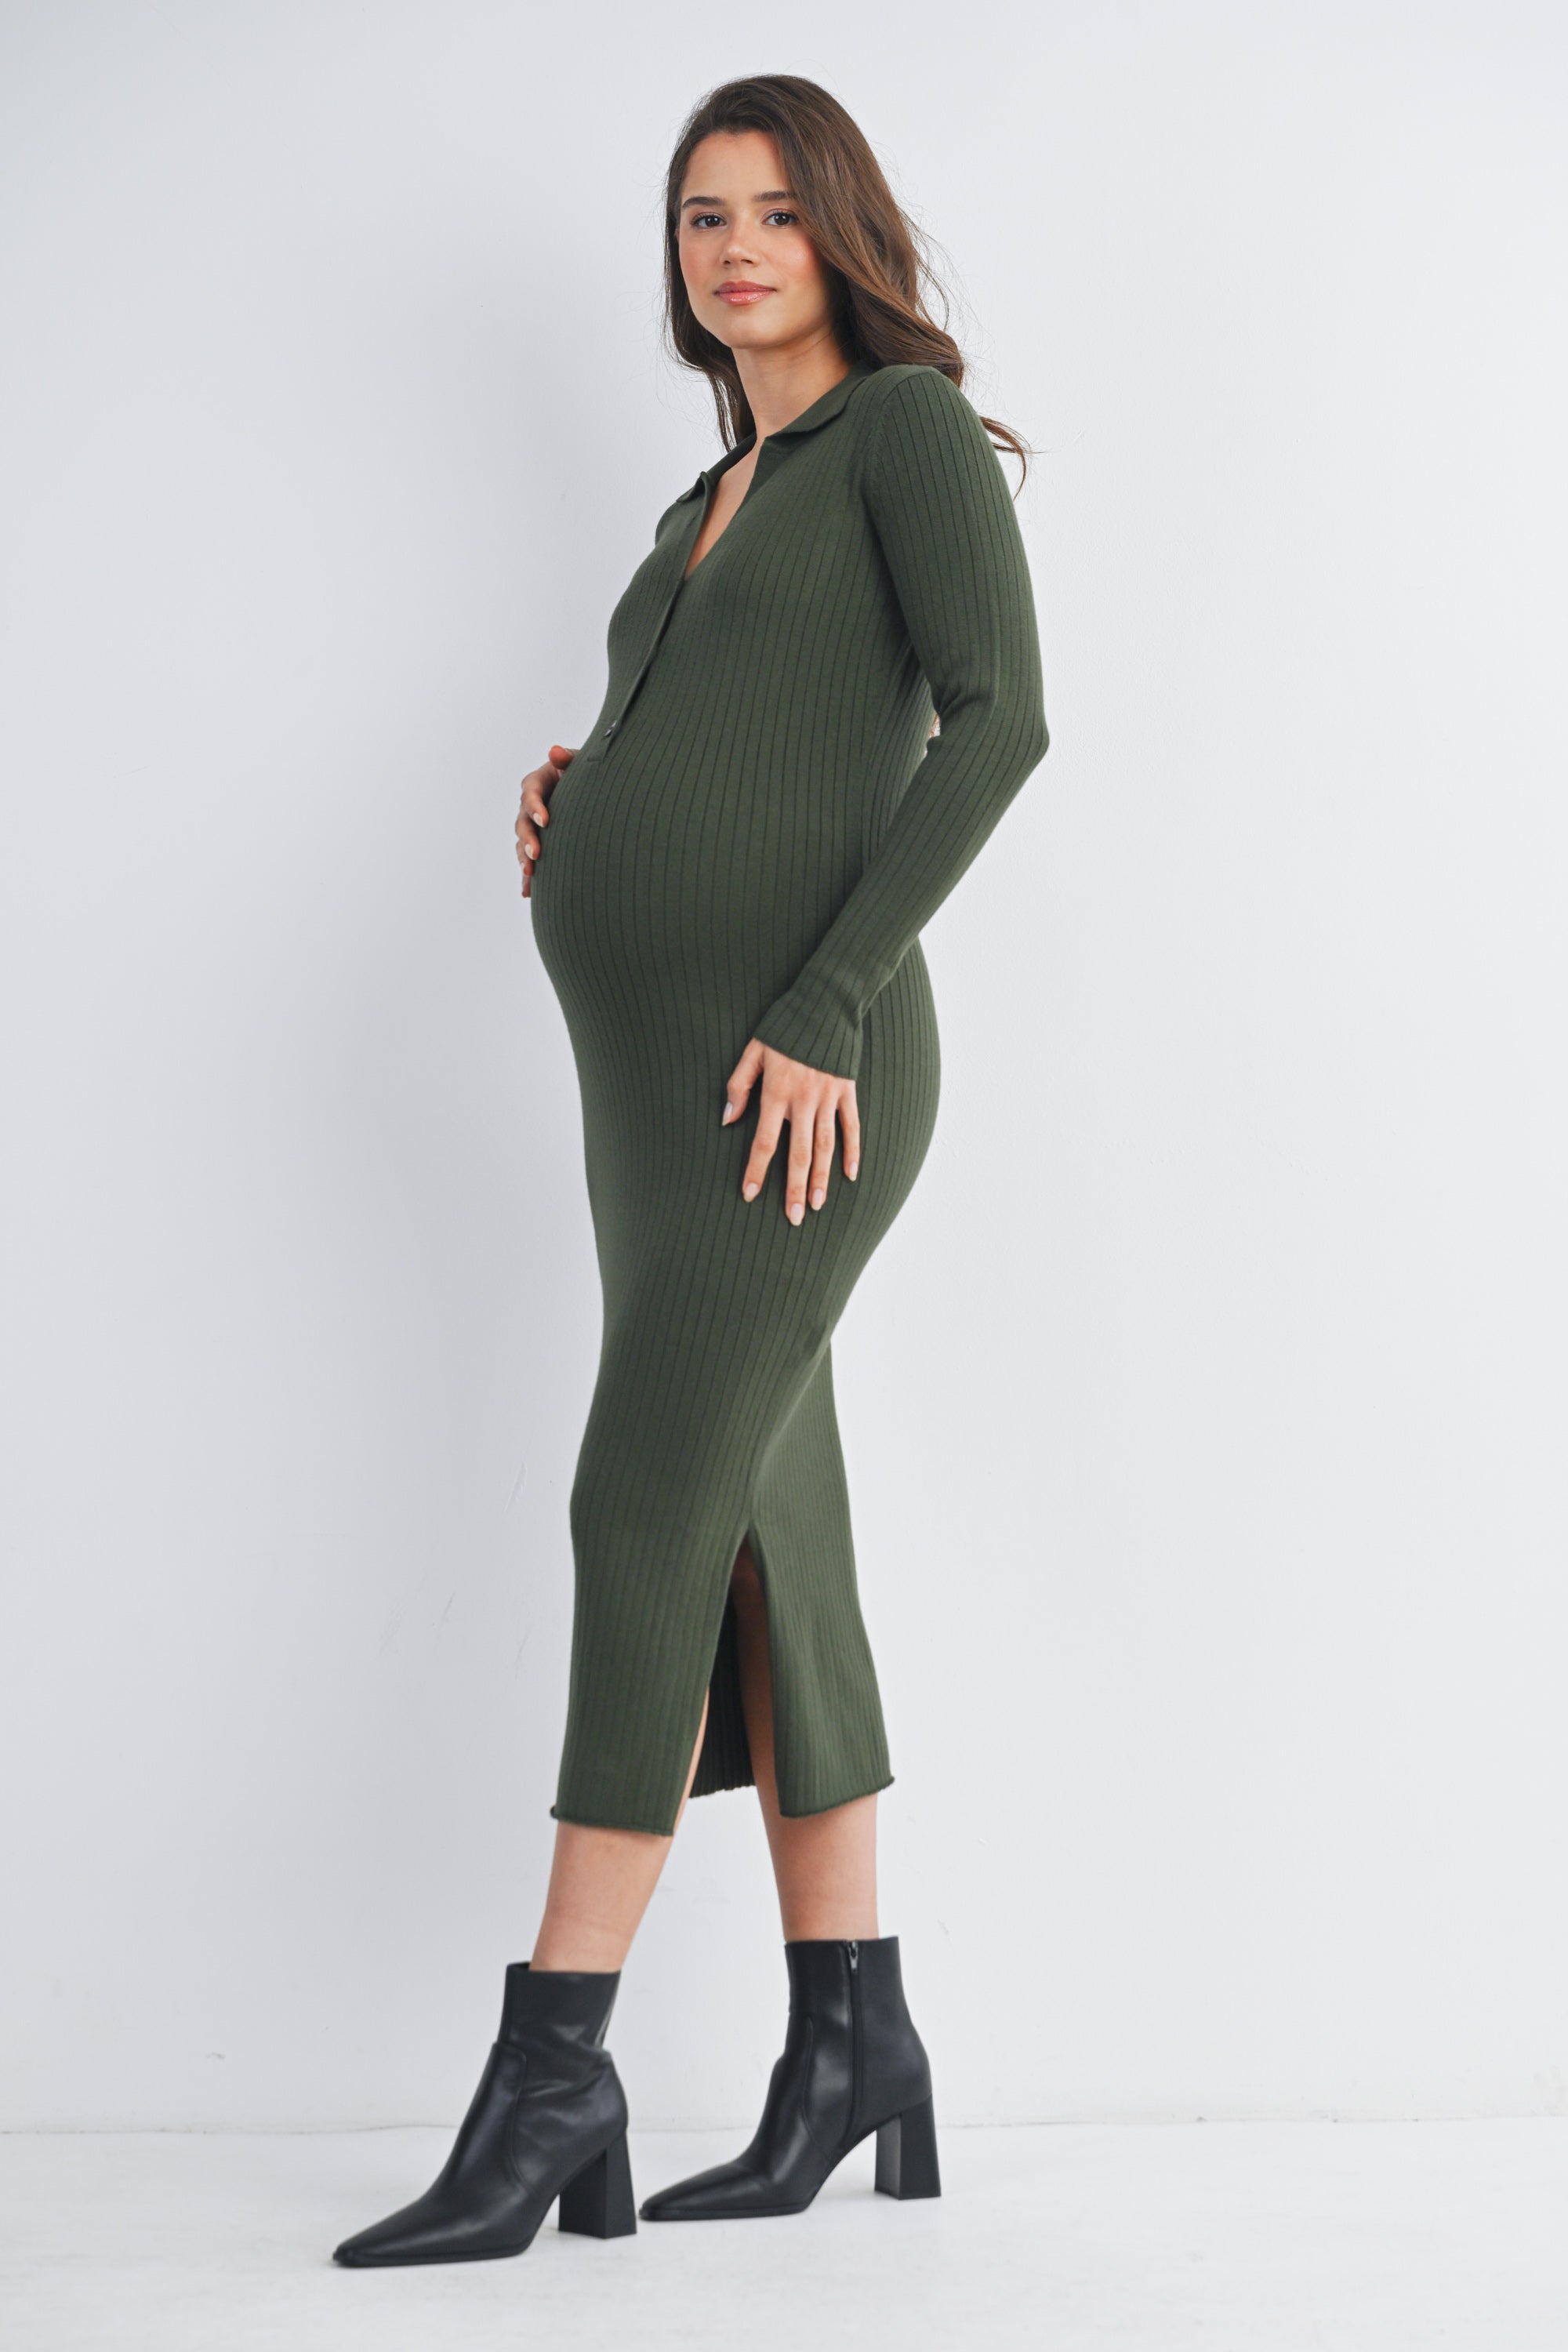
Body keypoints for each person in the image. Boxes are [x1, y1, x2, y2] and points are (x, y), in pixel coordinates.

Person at [332, 71, 1048, 2268]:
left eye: (773, 212)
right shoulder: (709, 497)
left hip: (790, 1083)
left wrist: (827, 1002)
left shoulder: (903, 441)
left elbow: (1001, 718)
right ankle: (853, 2044)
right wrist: (592, 794)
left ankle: (556, 2063)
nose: (735, 249)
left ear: (845, 232)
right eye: (700, 217)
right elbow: (727, 733)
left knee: (639, 1497)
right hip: (652, 1094)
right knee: (759, 1531)